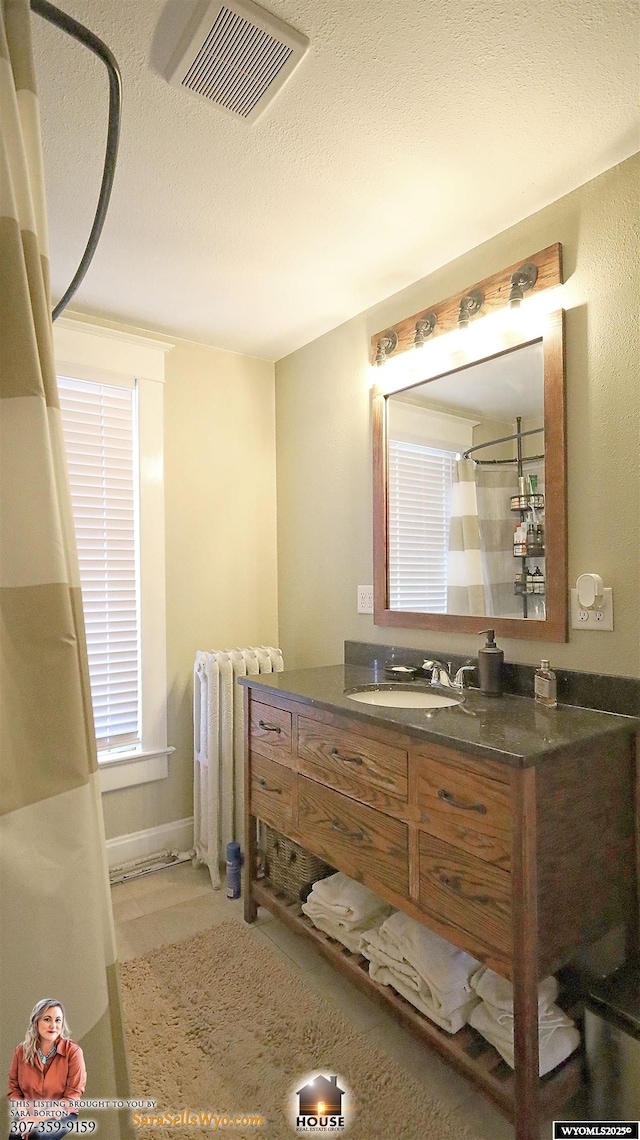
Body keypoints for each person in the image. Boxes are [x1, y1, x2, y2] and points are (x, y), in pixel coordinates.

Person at [8, 1000, 86, 1138]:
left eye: (58, 1020)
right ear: (36, 1022)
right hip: (29, 1111)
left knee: (37, 1135)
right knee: (15, 1136)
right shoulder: (20, 1051)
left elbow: (72, 1096)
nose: (53, 1025)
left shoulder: (73, 1052)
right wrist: (24, 1117)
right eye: (47, 1019)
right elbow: (15, 1090)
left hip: (61, 1113)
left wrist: (37, 1120)